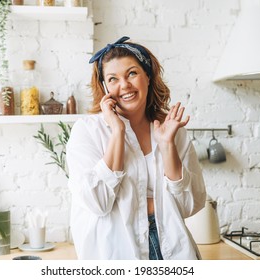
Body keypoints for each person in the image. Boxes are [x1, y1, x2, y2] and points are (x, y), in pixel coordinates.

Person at [66, 36, 206, 260]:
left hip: (172, 249)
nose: (124, 86)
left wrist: (167, 145)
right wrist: (118, 131)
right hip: (116, 253)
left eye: (132, 73)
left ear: (148, 77)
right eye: (113, 79)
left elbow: (190, 205)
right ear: (104, 87)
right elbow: (98, 202)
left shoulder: (172, 129)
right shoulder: (87, 131)